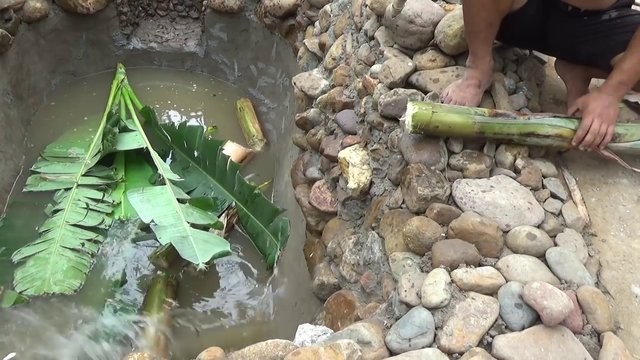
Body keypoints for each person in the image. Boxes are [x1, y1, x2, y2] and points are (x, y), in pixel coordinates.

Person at [441, 0, 640, 151]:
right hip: (525, 10)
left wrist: (610, 93)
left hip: (604, 20)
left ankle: (578, 68)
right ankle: (479, 65)